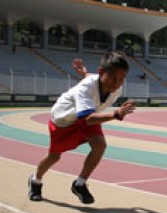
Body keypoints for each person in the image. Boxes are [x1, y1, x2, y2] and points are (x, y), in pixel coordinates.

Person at [28, 51, 135, 204]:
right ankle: (35, 180)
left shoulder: (113, 86)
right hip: (64, 120)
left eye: (122, 79)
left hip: (88, 116)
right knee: (54, 157)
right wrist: (115, 114)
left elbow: (94, 79)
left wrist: (84, 72)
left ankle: (80, 184)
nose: (117, 83)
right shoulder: (86, 88)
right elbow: (88, 119)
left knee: (100, 145)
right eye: (113, 78)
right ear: (101, 72)